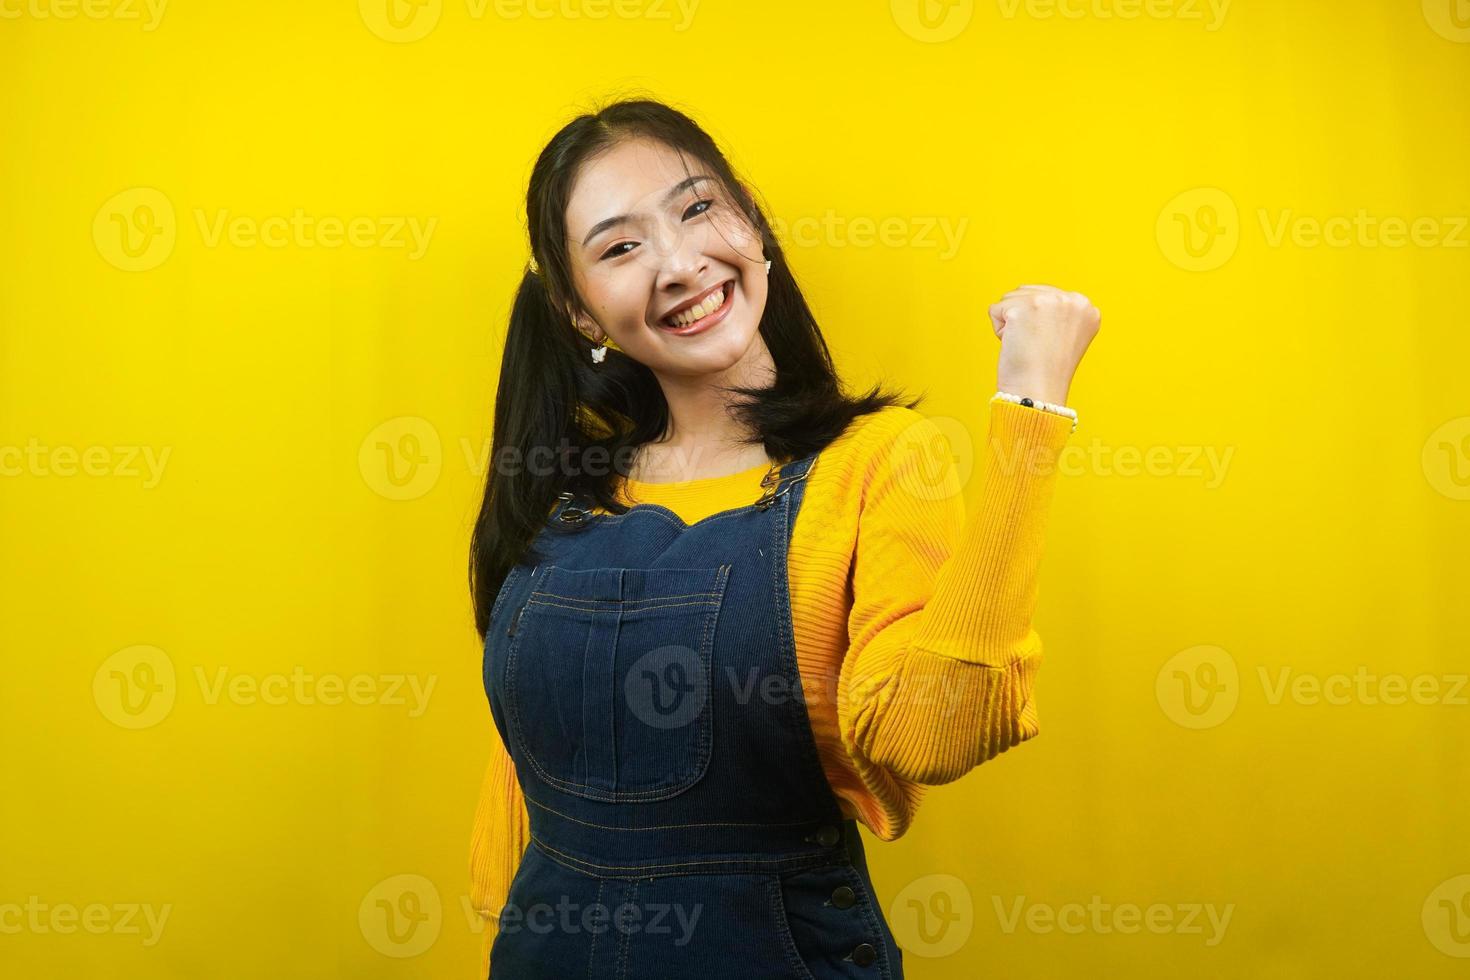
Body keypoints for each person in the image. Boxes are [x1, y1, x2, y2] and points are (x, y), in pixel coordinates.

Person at [466, 97, 1100, 979]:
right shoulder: (564, 493)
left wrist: (1032, 409)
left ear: (752, 227)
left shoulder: (878, 464)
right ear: (579, 312)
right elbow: (525, 783)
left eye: (697, 209)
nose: (681, 263)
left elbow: (931, 734)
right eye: (620, 246)